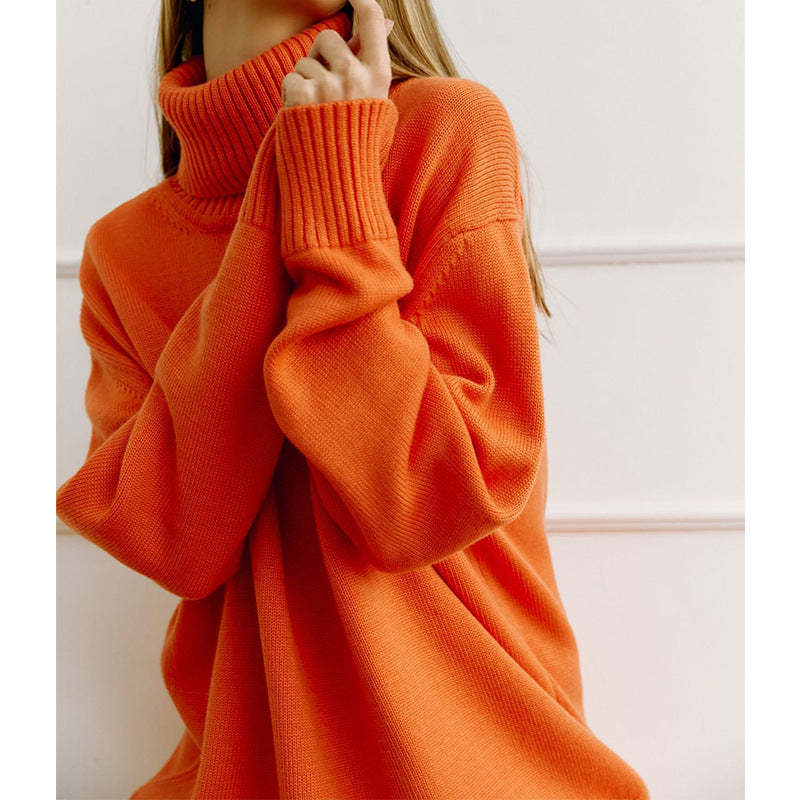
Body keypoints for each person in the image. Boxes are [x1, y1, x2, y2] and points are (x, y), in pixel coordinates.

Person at [56, 1, 650, 797]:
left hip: (480, 768)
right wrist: (293, 179)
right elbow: (178, 545)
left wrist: (331, 186)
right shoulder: (123, 251)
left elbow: (420, 502)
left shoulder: (442, 131)